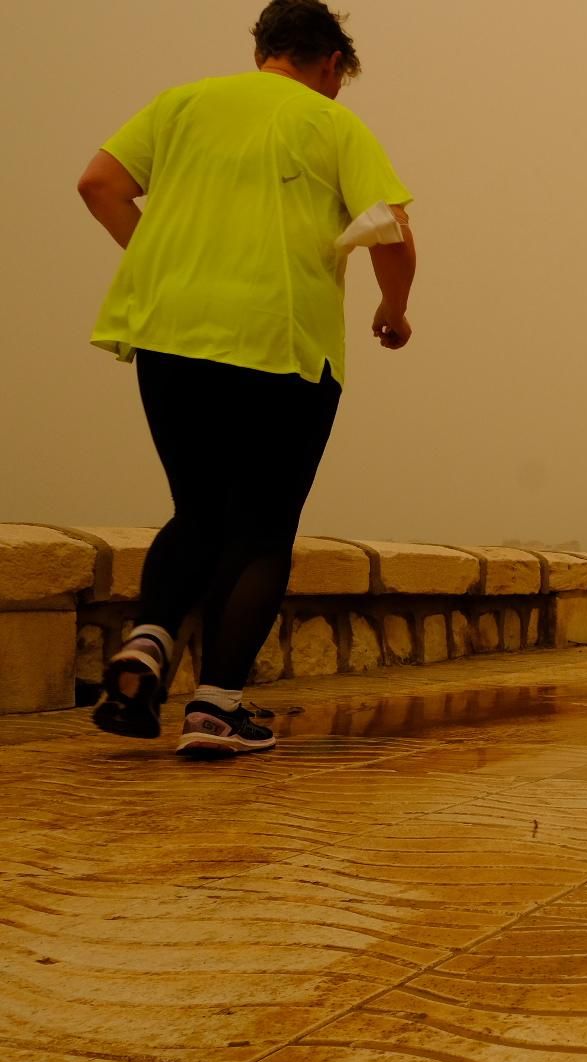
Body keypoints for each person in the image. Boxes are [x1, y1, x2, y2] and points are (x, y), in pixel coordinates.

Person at [80, 0, 416, 756]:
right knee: (262, 526)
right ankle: (216, 707)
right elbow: (391, 231)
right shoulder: (333, 124)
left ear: (263, 47)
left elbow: (98, 184)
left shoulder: (181, 103)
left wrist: (159, 262)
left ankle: (147, 643)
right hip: (282, 341)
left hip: (171, 334)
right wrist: (394, 311)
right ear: (331, 64)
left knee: (196, 509)